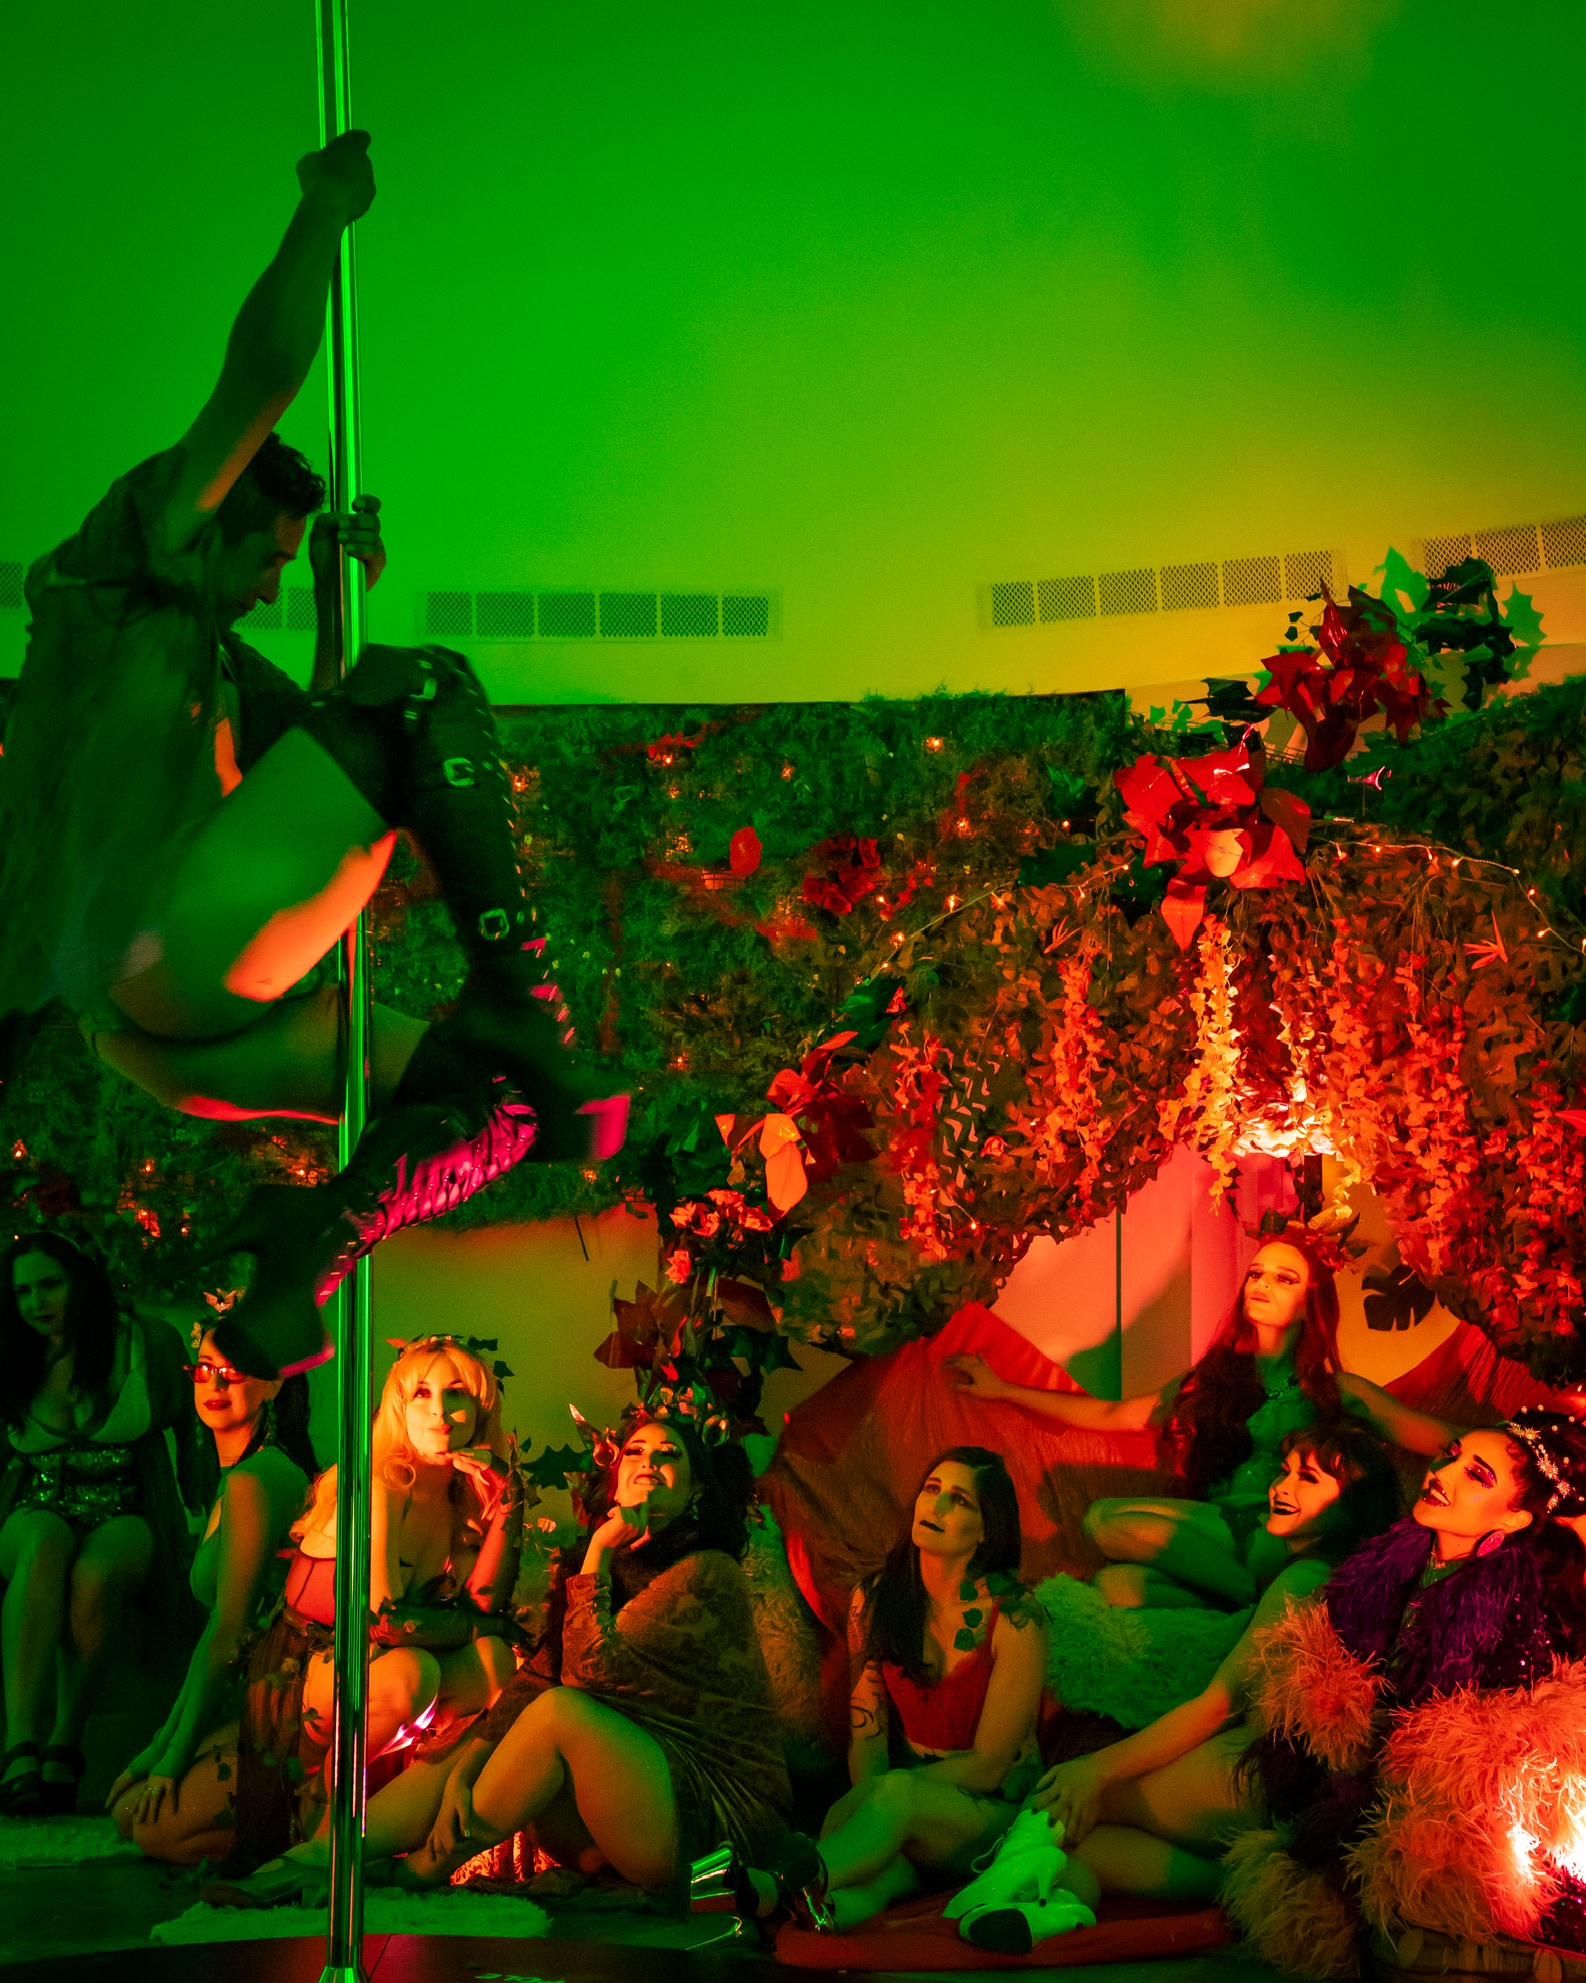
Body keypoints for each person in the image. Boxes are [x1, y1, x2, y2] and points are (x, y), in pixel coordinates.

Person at [0, 132, 626, 1381]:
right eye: (265, 558)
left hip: (182, 1027)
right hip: (156, 946)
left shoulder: (222, 664)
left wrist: (345, 600)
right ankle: (526, 996)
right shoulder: (117, 576)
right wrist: (320, 220)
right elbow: (263, 377)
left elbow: (337, 771)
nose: (265, 586)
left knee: (496, 1106)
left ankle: (306, 1259)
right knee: (431, 684)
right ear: (206, 523)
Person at [204, 1391, 789, 1910]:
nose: (650, 1465)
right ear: (615, 1476)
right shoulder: (613, 1571)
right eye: (636, 1453)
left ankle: (417, 1872)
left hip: (708, 1825)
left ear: (697, 1489)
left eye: (669, 1456)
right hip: (617, 1814)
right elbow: (539, 1676)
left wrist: (600, 1552)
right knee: (477, 1735)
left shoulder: (708, 1573)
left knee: (562, 1713)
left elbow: (586, 1677)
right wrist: (468, 1767)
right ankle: (319, 1858)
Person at [944, 1421, 1402, 1953]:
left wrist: (1094, 1770)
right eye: (1283, 1472)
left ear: (1354, 1506)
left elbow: (1218, 1706)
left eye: (1309, 1478)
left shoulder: (1304, 1579)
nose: (1282, 1488)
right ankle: (1050, 1914)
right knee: (1090, 1846)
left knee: (1066, 1792)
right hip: (1281, 1790)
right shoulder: (1323, 1574)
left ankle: (988, 1890)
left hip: (1259, 1774)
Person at [1220, 1407, 1586, 1976]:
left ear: (1513, 1519)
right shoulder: (1392, 1557)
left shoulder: (1506, 1595)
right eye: (1452, 1454)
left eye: (1477, 1475)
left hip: (1434, 1821)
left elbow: (1473, 1766)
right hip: (1341, 1781)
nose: (1443, 1472)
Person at [949, 1223, 1456, 1610]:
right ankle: (1248, 1609)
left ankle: (1259, 1596)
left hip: (1278, 1538)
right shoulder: (1214, 1379)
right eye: (1256, 1274)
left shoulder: (1335, 1390)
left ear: (1310, 1304)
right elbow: (1115, 1413)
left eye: (1285, 1278)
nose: (1262, 1284)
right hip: (1218, 1530)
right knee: (1113, 1585)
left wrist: (1522, 1450)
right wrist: (1002, 1389)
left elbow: (1442, 1440)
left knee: (1101, 1520)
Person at [694, 1447, 1054, 1937]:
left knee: (898, 1796)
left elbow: (990, 1765)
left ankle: (774, 1885)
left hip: (991, 1817)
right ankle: (789, 1918)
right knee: (879, 1882)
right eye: (931, 1490)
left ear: (987, 1528)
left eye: (960, 1501)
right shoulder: (877, 1597)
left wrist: (878, 1795)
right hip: (904, 1812)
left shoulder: (1018, 1617)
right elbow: (868, 1735)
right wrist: (869, 1795)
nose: (937, 1507)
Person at [206, 1335, 521, 1874]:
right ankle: (330, 1824)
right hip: (301, 1669)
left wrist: (507, 1505)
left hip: (368, 1676)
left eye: (457, 1394)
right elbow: (383, 1624)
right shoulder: (381, 1485)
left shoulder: (460, 1495)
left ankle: (410, 1814)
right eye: (421, 1394)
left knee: (498, 1666)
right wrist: (469, 1629)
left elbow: (485, 1610)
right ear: (399, 1408)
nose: (441, 1414)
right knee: (414, 1671)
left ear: (481, 1408)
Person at [0, 1232, 205, 1816]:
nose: (37, 1303)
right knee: (44, 1544)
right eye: (23, 1291)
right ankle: (20, 1744)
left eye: (50, 1284)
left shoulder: (144, 1342)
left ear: (80, 1281)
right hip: (33, 1509)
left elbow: (194, 1430)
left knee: (93, 1574)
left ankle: (66, 1739)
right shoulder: (9, 1350)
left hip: (126, 1508)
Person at [107, 1332, 317, 1864]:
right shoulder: (235, 1476)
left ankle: (316, 1826)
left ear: (273, 1386)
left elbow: (229, 1629)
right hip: (250, 1690)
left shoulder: (258, 1478)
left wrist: (170, 1757)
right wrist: (160, 1745)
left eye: (233, 1372)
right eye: (203, 1369)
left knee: (148, 1825)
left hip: (285, 1698)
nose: (214, 1385)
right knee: (125, 1809)